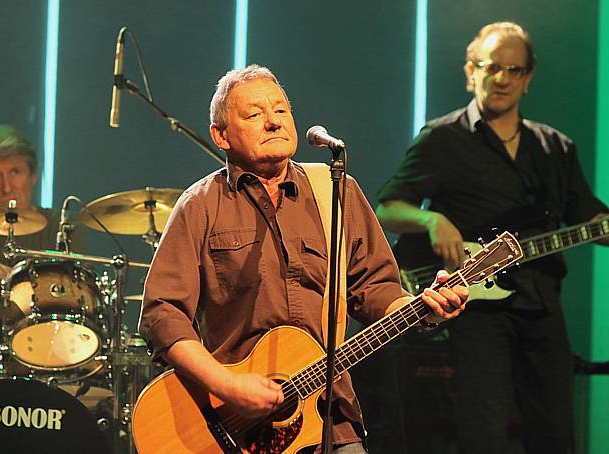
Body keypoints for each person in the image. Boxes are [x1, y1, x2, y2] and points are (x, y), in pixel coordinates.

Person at [139, 64, 469, 452]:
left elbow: (376, 289)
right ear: (221, 135)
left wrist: (424, 310)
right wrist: (225, 384)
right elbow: (162, 313)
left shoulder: (336, 191)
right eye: (254, 114)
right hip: (231, 425)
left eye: (281, 110)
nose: (274, 121)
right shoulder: (200, 205)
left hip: (328, 414)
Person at [376, 22, 609, 454]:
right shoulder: (443, 138)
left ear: (528, 78)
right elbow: (387, 207)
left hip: (542, 305)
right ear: (471, 71)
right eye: (491, 67)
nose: (502, 78)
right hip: (476, 312)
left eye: (514, 70)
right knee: (483, 434)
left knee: (556, 434)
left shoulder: (555, 147)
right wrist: (432, 220)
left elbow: (589, 216)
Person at [0, 124, 85, 279]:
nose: (6, 187)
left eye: (15, 172)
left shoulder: (63, 228)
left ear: (33, 174)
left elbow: (71, 289)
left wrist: (7, 276)